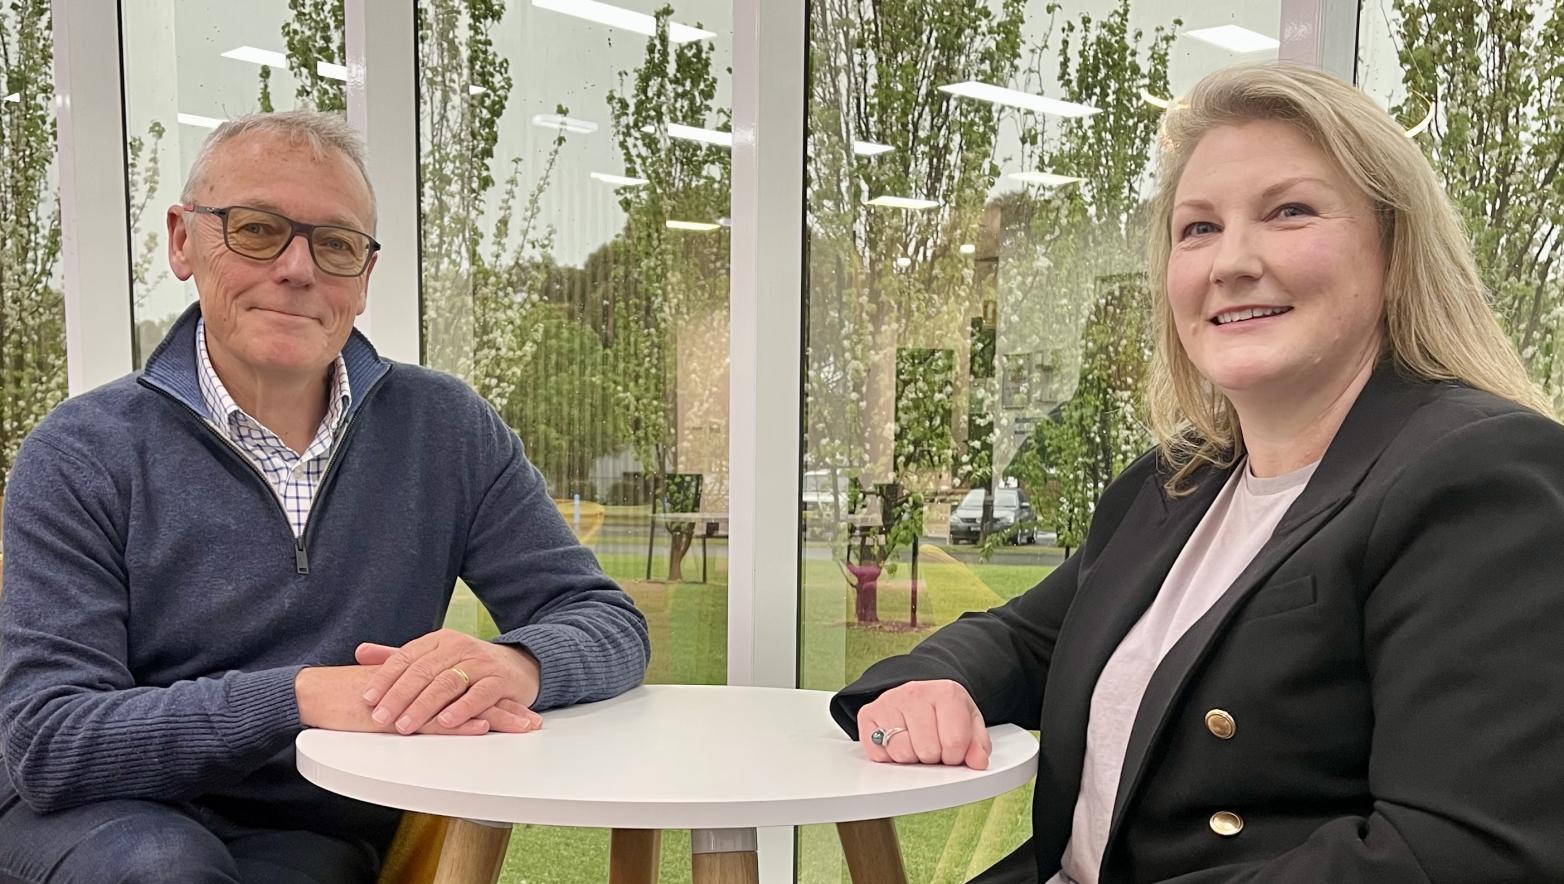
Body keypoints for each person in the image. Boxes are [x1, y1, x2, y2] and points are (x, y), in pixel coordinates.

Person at [831, 63, 1564, 883]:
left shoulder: (1481, 476)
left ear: (1394, 253)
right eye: (1198, 228)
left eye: (1289, 212)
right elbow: (1026, 639)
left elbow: (1461, 856)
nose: (1231, 262)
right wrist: (927, 682)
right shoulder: (1178, 480)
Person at [0, 111, 649, 883]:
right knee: (163, 867)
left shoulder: (445, 429)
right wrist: (303, 696)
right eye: (257, 228)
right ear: (183, 241)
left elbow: (608, 623)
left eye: (336, 243)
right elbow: (53, 740)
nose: (299, 268)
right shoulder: (81, 451)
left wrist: (517, 663)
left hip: (310, 820)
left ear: (365, 277)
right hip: (97, 817)